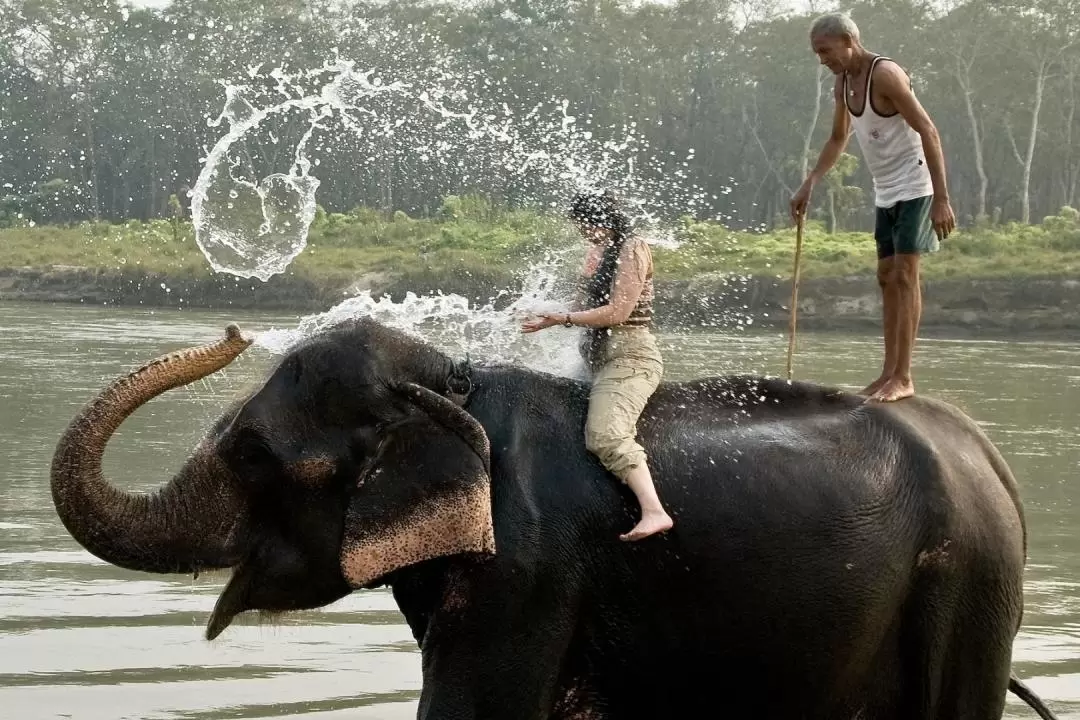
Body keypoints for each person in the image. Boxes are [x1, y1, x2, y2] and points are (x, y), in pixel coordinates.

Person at [790, 12, 956, 403]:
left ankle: (904, 375)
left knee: (904, 275)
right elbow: (837, 138)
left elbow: (928, 129)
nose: (822, 60)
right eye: (817, 53)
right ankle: (886, 372)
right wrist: (810, 181)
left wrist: (942, 199)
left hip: (916, 184)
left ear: (849, 40)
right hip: (885, 188)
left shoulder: (886, 75)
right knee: (885, 276)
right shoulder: (842, 83)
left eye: (825, 51)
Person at [521, 191, 674, 542]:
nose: (582, 234)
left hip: (629, 359)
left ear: (599, 221)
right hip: (595, 359)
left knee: (606, 434)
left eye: (584, 226)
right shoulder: (597, 253)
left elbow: (618, 312)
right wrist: (542, 312)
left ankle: (654, 511)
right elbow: (579, 306)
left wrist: (561, 319)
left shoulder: (633, 248)